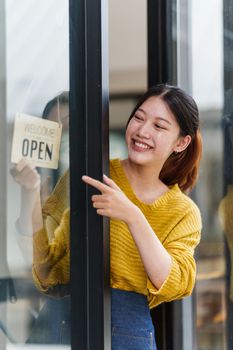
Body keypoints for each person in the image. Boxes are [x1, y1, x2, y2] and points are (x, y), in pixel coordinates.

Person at [11, 84, 202, 349]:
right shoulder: (89, 176)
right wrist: (29, 192)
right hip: (63, 324)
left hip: (129, 334)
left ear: (181, 142)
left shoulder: (183, 211)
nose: (143, 131)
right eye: (139, 117)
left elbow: (173, 283)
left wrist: (132, 216)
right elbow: (45, 266)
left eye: (159, 126)